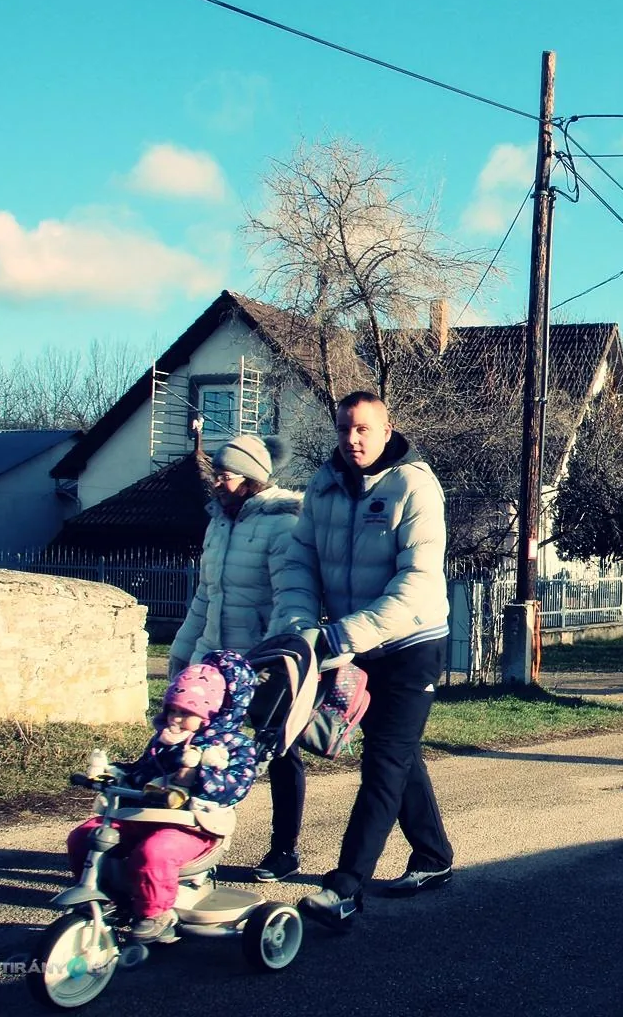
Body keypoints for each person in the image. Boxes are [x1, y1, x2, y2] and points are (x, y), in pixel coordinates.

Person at [274, 390, 455, 929]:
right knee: (397, 755)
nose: (352, 440)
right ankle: (434, 856)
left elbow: (418, 584)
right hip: (353, 644)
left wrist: (341, 635)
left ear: (386, 429)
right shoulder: (324, 487)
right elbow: (297, 563)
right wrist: (304, 630)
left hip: (412, 643)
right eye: (344, 429)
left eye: (363, 430)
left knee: (383, 762)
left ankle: (345, 887)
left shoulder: (414, 486)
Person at [168, 433, 305, 884]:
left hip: (262, 667)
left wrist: (267, 662)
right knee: (194, 754)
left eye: (226, 476)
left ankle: (284, 850)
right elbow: (205, 598)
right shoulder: (218, 524)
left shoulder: (282, 524)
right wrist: (184, 655)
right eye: (218, 476)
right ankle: (188, 850)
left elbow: (288, 601)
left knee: (279, 754)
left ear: (252, 479)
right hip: (215, 664)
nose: (218, 484)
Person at [67, 658, 258, 942]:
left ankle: (156, 913)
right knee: (86, 836)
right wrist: (115, 774)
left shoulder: (232, 746)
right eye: (172, 710)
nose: (174, 719)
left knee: (155, 852)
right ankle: (107, 896)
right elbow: (142, 772)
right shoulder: (164, 741)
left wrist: (199, 777)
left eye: (185, 712)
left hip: (195, 826)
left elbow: (235, 787)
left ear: (210, 714)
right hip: (147, 817)